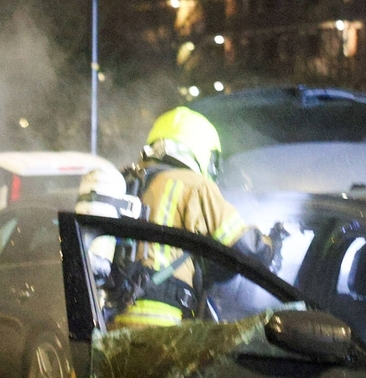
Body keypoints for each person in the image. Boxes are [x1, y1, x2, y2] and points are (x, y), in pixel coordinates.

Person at [112, 106, 279, 329]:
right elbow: (243, 246)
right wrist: (272, 244)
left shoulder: (127, 180)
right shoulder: (194, 185)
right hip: (161, 323)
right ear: (202, 151)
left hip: (114, 318)